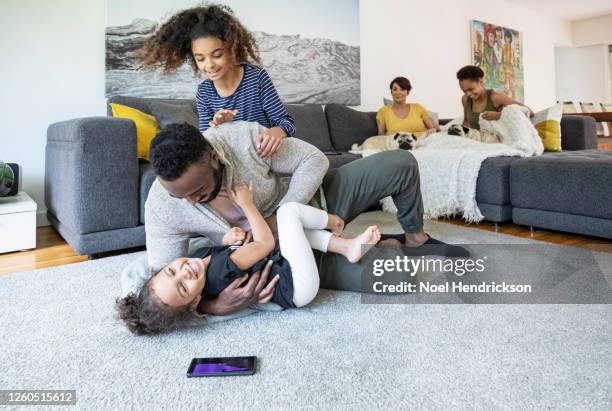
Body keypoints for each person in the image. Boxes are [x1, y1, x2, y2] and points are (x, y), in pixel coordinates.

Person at [140, 121, 468, 318]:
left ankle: (416, 238)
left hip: (319, 204)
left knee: (401, 162)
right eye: (180, 196)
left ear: (212, 157)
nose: (192, 201)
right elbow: (162, 277)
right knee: (396, 278)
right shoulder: (161, 204)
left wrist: (279, 219)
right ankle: (384, 245)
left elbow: (313, 159)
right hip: (285, 261)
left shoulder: (243, 140)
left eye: (198, 190)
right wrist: (211, 305)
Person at [117, 183, 381, 335]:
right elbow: (264, 243)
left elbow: (237, 249)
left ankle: (347, 247)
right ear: (195, 301)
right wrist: (248, 205)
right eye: (184, 288)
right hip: (298, 286)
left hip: (290, 278)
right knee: (288, 214)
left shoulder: (200, 257)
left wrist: (229, 240)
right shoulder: (218, 271)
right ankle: (334, 223)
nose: (184, 273)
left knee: (292, 233)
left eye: (171, 272)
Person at [139, 4, 294, 158]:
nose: (209, 65)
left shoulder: (257, 78)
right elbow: (207, 146)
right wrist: (219, 127)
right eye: (200, 59)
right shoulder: (204, 92)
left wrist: (277, 132)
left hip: (265, 156)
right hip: (234, 161)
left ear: (231, 49)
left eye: (217, 55)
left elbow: (286, 123)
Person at [456, 65, 533, 131]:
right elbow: (466, 122)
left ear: (480, 81)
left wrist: (499, 115)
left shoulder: (495, 97)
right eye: (464, 91)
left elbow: (529, 112)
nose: (468, 94)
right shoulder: (465, 99)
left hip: (495, 144)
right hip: (475, 143)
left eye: (471, 89)